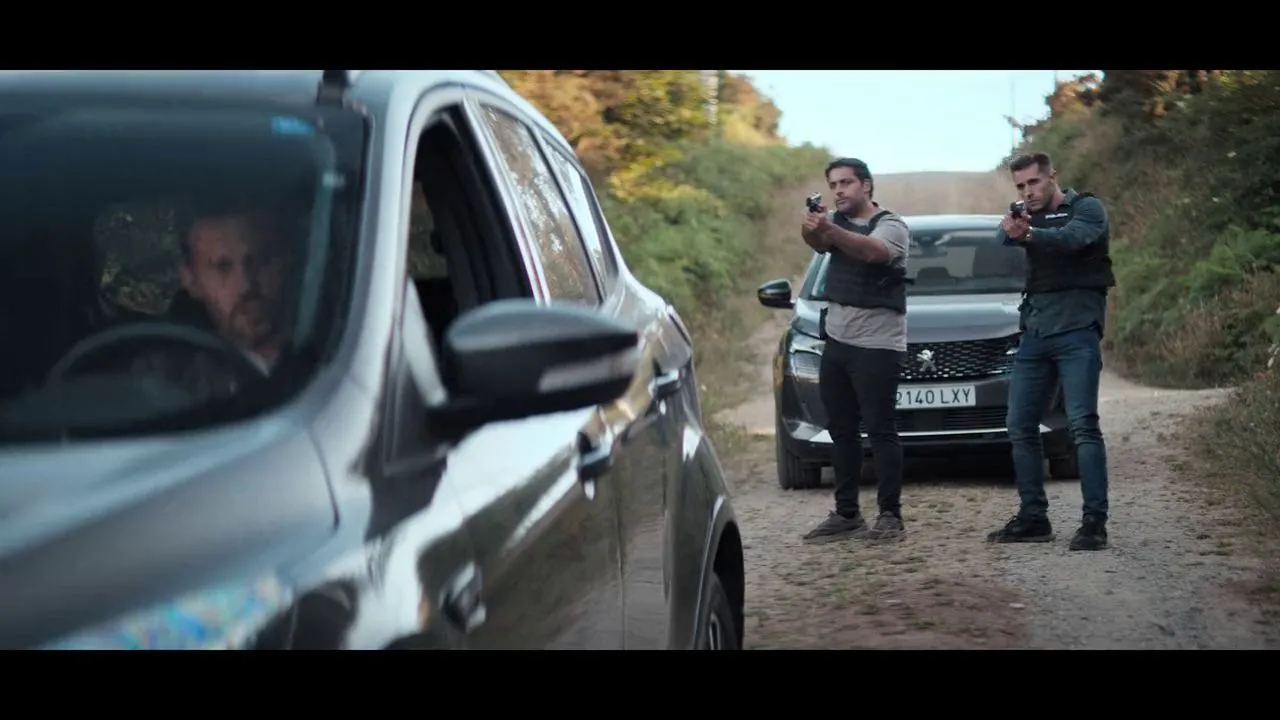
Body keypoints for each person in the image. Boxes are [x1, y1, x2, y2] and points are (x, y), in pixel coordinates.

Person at [988, 151, 1115, 552]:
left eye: (1034, 182)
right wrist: (1012, 228)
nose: (1028, 191)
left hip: (1077, 331)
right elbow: (1000, 241)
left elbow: (1073, 239)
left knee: (1082, 425)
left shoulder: (1086, 208)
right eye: (1021, 186)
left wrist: (1029, 235)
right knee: (1019, 424)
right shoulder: (1026, 217)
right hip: (1036, 332)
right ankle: (1033, 517)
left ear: (1052, 177)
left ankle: (1093, 522)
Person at [799, 158, 912, 544]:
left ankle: (890, 516)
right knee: (842, 430)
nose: (839, 190)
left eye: (846, 183)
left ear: (866, 185)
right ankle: (847, 514)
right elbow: (818, 243)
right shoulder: (835, 222)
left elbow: (872, 252)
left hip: (877, 344)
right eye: (833, 184)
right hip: (838, 341)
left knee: (881, 430)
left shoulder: (891, 225)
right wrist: (813, 226)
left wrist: (829, 228)